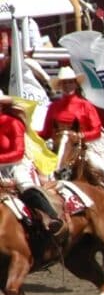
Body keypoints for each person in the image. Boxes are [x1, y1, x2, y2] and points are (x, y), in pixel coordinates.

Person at [40, 66, 104, 192]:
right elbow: (46, 132)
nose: (68, 85)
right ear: (60, 86)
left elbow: (96, 130)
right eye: (65, 83)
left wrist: (79, 136)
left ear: (75, 84)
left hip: (83, 147)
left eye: (70, 82)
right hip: (59, 148)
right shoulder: (54, 107)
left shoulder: (85, 105)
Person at [0, 94, 64, 235]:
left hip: (16, 165)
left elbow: (18, 152)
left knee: (24, 184)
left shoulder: (13, 122)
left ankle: (50, 216)